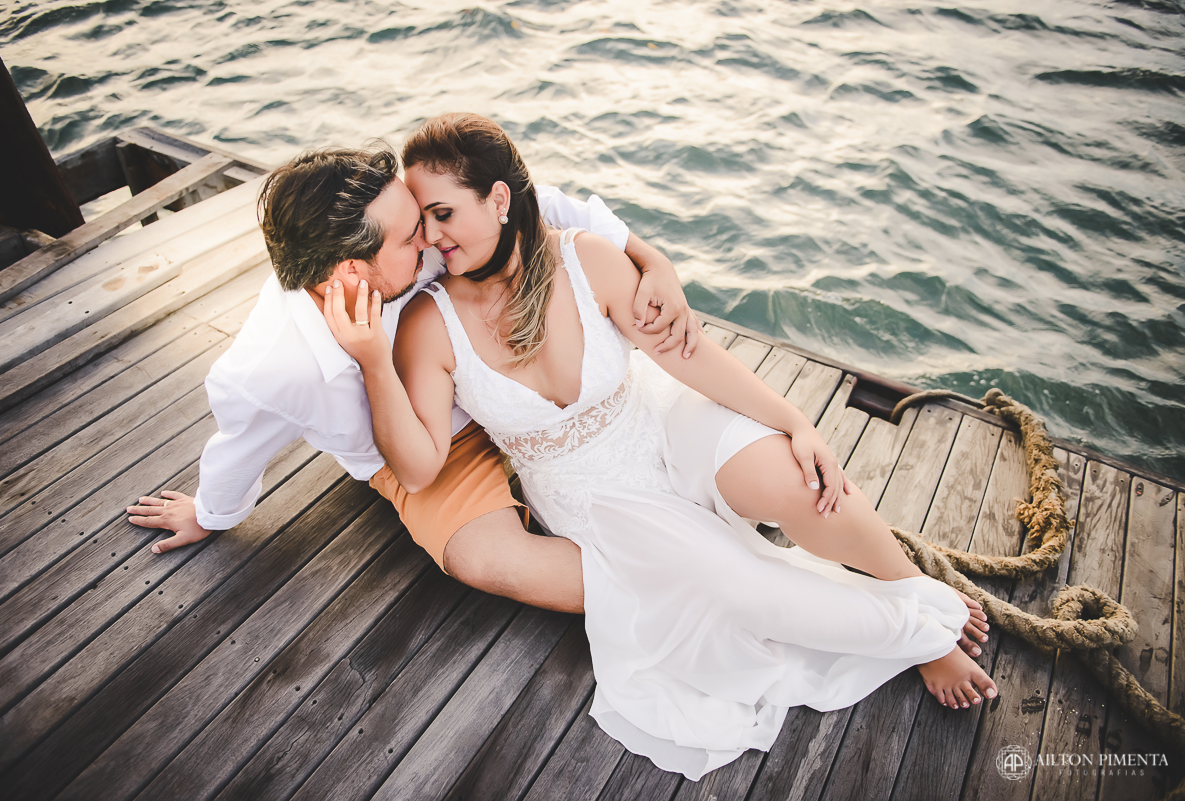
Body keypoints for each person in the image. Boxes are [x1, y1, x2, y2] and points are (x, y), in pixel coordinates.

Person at [330, 113, 998, 780]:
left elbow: (690, 357)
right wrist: (370, 359)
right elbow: (417, 469)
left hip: (658, 421)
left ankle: (911, 586)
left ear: (498, 200)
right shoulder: (427, 322)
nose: (431, 237)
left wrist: (797, 422)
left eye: (443, 213)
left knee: (798, 479)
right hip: (600, 503)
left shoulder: (585, 258)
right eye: (423, 220)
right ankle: (919, 634)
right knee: (739, 590)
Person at [125, 144, 700, 615]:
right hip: (434, 451)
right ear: (352, 270)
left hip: (511, 382)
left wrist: (653, 261)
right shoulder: (271, 370)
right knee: (486, 559)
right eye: (409, 238)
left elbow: (531, 203)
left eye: (423, 222)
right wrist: (208, 513)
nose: (428, 238)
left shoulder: (411, 235)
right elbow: (240, 443)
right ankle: (675, 592)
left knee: (669, 396)